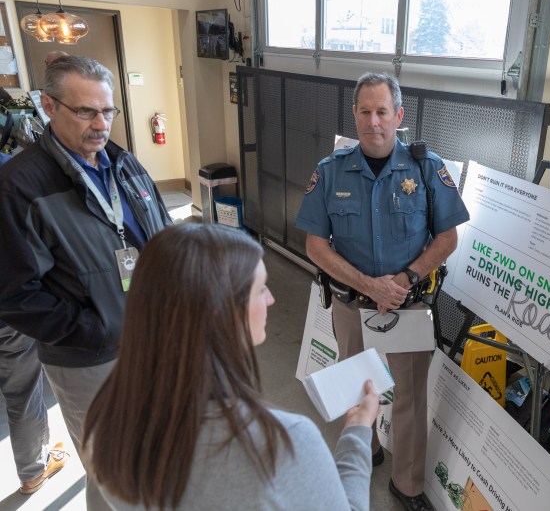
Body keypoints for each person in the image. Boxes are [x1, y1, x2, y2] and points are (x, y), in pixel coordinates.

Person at [83, 223, 380, 510]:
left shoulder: (107, 421)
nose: (272, 298)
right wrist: (357, 432)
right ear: (222, 311)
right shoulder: (284, 443)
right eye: (261, 289)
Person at [0, 55, 170, 510]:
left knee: (147, 456)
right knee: (112, 464)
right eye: (86, 111)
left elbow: (160, 232)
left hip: (150, 338)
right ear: (48, 106)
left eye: (108, 111)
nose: (101, 124)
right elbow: (15, 297)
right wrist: (97, 328)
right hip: (88, 358)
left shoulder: (123, 163)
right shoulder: (19, 186)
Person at [296, 72, 470, 510]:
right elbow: (314, 244)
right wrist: (367, 284)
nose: (374, 122)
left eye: (382, 112)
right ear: (354, 114)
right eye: (365, 112)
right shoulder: (330, 171)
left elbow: (448, 239)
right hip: (350, 305)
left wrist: (406, 279)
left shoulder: (427, 168)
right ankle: (364, 449)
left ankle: (407, 484)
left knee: (410, 396)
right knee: (357, 388)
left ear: (399, 116)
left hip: (407, 308)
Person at [0, 151, 68, 495]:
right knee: (22, 389)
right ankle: (32, 471)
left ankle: (39, 457)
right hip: (7, 307)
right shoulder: (12, 172)